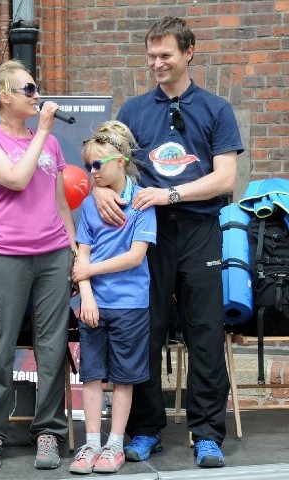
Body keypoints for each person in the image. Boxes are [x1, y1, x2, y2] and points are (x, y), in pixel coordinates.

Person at [93, 16, 244, 468]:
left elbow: (225, 178)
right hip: (146, 232)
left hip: (201, 229)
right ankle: (144, 429)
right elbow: (103, 162)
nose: (157, 63)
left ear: (189, 52)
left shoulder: (217, 109)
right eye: (152, 56)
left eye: (166, 55)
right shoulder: (134, 111)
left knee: (204, 332)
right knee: (146, 329)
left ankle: (207, 434)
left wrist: (172, 192)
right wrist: (100, 188)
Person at [0, 59, 76, 471]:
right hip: (6, 254)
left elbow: (60, 200)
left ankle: (49, 431)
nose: (37, 95)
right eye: (28, 89)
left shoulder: (48, 143)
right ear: (4, 97)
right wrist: (44, 131)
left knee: (52, 348)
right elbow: (14, 178)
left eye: (36, 88)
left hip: (53, 256)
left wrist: (73, 248)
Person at [69, 121, 156, 475]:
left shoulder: (141, 202)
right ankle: (91, 442)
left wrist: (89, 272)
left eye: (98, 164)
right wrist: (86, 295)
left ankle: (114, 445)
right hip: (95, 305)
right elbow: (82, 256)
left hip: (131, 305)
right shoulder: (89, 206)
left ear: (121, 161)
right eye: (88, 165)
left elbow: (135, 257)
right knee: (91, 375)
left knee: (124, 377)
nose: (92, 173)